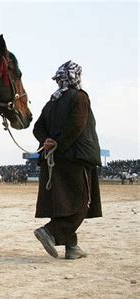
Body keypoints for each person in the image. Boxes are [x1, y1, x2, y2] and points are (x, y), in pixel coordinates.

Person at [33, 60, 102, 260]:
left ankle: (72, 247)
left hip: (52, 160)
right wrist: (59, 145)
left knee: (63, 203)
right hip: (75, 158)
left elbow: (37, 127)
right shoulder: (79, 97)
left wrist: (47, 141)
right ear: (76, 77)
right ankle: (50, 232)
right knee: (82, 203)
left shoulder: (51, 102)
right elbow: (76, 126)